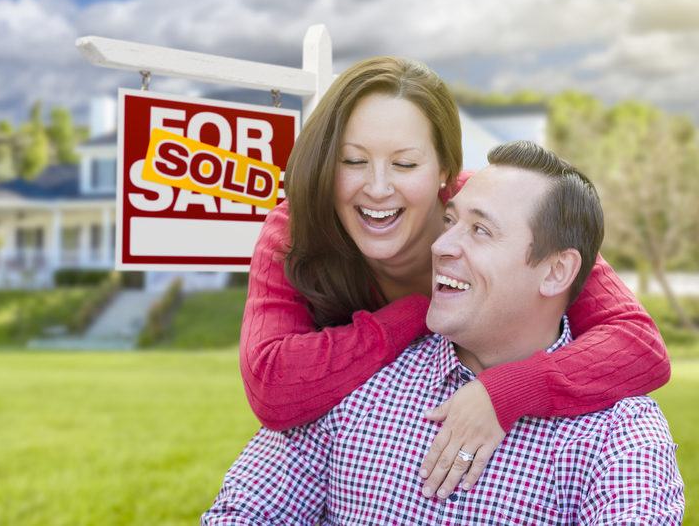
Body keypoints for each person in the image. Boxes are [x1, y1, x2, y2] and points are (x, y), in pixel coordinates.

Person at [239, 56, 670, 497]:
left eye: (405, 165)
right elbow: (273, 385)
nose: (378, 187)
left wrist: (505, 392)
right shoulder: (296, 230)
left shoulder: (492, 211)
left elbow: (637, 344)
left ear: (444, 171)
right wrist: (416, 312)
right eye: (352, 161)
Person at [204, 141, 684, 524]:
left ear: (557, 272)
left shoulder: (620, 436)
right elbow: (240, 514)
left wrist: (508, 392)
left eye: (480, 231)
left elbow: (640, 342)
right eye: (451, 221)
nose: (440, 244)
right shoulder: (358, 379)